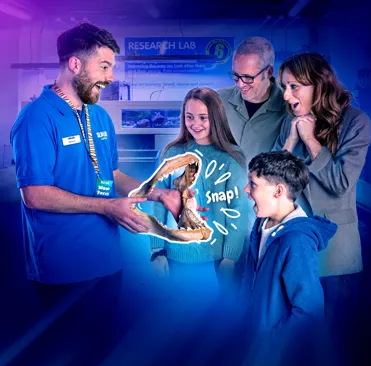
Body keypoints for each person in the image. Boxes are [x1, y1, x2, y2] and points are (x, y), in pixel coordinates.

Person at [9, 23, 196, 288]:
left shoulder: (98, 116)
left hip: (108, 262)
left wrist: (158, 193)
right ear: (75, 64)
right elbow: (35, 194)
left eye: (112, 68)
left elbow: (113, 176)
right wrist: (107, 206)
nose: (110, 77)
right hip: (61, 268)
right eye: (104, 66)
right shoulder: (36, 118)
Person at [274, 52, 371, 366]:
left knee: (337, 341)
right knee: (297, 339)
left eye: (293, 87)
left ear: (318, 84)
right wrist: (290, 141)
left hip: (336, 255)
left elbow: (341, 182)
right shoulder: (291, 124)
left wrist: (311, 141)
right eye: (284, 87)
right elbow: (270, 182)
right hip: (293, 245)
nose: (286, 96)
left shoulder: (356, 122)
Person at [240, 150, 337, 366]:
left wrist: (270, 344)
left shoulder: (297, 241)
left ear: (278, 190)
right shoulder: (261, 224)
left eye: (253, 184)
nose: (246, 189)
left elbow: (309, 311)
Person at [150, 87, 249, 300]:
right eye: (189, 117)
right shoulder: (171, 153)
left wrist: (230, 257)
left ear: (216, 117)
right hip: (177, 255)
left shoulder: (231, 156)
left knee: (220, 323)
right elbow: (158, 203)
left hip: (219, 258)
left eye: (203, 117)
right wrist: (157, 251)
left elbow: (239, 209)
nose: (195, 124)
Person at [218, 36, 287, 165]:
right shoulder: (218, 100)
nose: (240, 84)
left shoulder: (288, 108)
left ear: (269, 72)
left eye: (248, 77)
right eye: (236, 76)